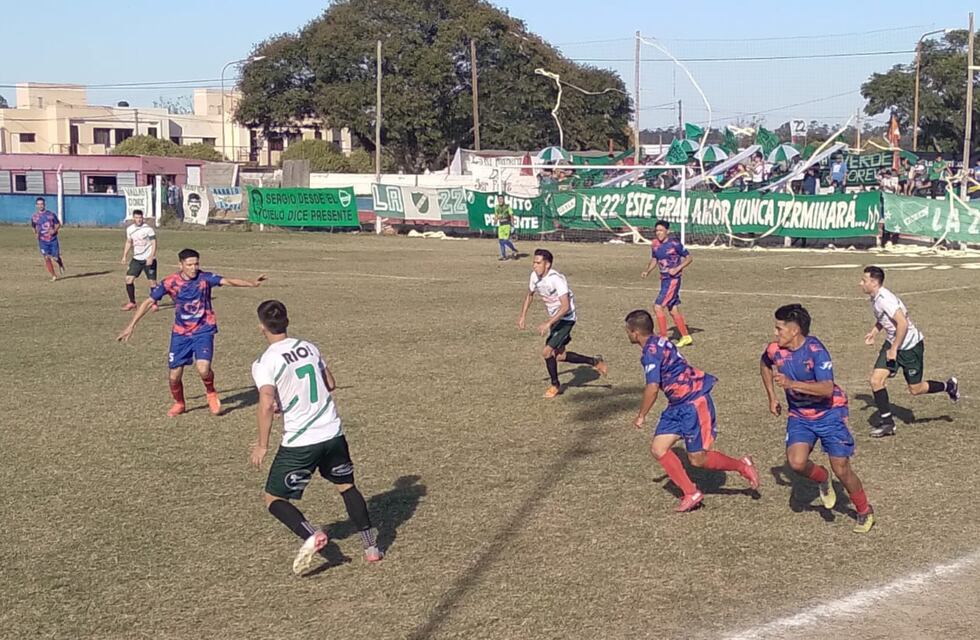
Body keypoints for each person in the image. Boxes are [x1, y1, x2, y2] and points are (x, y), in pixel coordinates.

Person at [249, 300, 382, 574]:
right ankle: (371, 548)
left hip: (301, 441)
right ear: (287, 321)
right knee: (346, 486)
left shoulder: (266, 361)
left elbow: (265, 401)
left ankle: (311, 534)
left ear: (261, 326)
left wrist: (262, 444)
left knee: (273, 498)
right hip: (332, 432)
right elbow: (329, 384)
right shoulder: (308, 347)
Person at [625, 310, 758, 512]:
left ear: (635, 332)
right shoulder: (659, 341)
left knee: (697, 459)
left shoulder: (651, 353)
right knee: (658, 448)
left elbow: (652, 387)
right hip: (677, 405)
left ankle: (742, 465)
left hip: (693, 403)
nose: (627, 334)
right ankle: (691, 492)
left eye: (627, 330)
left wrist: (642, 415)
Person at [759, 304, 875, 533]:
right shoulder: (775, 349)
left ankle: (864, 510)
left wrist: (791, 384)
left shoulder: (816, 351)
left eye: (779, 328)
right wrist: (772, 396)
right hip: (800, 416)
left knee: (842, 469)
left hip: (829, 413)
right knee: (796, 462)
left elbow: (826, 389)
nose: (775, 333)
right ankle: (822, 478)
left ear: (794, 331)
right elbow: (764, 363)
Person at [116, 248, 267, 417]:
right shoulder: (169, 282)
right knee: (174, 376)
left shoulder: (205, 278)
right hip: (180, 333)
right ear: (180, 265)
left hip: (204, 329)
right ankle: (179, 403)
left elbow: (229, 281)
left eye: (196, 264)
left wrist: (252, 283)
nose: (194, 268)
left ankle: (211, 392)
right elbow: (148, 302)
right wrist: (131, 326)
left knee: (203, 369)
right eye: (189, 265)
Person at [859, 266, 959, 437]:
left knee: (915, 389)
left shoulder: (885, 299)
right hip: (893, 342)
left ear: (874, 283)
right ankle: (888, 424)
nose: (860, 283)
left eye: (864, 280)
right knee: (876, 380)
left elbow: (902, 324)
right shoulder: (875, 298)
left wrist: (894, 350)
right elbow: (884, 319)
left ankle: (948, 386)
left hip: (910, 346)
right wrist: (875, 332)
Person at [517, 248, 607, 398]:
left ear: (547, 265)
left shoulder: (556, 279)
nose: (535, 265)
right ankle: (594, 361)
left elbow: (565, 307)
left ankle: (555, 385)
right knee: (559, 356)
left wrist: (548, 323)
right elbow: (530, 295)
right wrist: (522, 316)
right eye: (534, 262)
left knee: (546, 352)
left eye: (538, 263)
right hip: (556, 319)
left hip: (566, 319)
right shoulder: (534, 276)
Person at [641, 220, 693, 347]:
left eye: (661, 231)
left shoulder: (675, 244)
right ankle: (686, 337)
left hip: (673, 280)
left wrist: (677, 268)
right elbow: (654, 259)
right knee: (673, 309)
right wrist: (647, 271)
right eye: (657, 231)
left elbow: (689, 258)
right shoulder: (654, 244)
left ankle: (663, 337)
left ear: (667, 232)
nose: (658, 233)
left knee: (658, 307)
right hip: (664, 280)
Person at [120, 210, 159, 311]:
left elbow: (154, 243)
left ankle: (154, 303)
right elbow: (129, 242)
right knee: (128, 279)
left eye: (140, 218)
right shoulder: (130, 229)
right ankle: (132, 302)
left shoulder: (148, 229)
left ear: (143, 218)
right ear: (133, 218)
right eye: (136, 218)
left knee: (152, 283)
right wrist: (124, 256)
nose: (138, 220)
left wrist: (151, 256)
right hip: (136, 259)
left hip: (148, 259)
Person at [31, 197, 65, 281]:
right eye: (38, 204)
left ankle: (60, 263)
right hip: (42, 241)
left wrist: (54, 230)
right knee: (46, 257)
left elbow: (58, 224)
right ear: (36, 205)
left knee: (55, 257)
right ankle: (54, 276)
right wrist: (35, 234)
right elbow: (33, 226)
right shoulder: (34, 217)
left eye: (41, 204)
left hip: (52, 240)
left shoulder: (51, 214)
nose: (40, 206)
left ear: (44, 205)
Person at [493, 195, 519, 261]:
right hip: (501, 226)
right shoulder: (496, 207)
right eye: (499, 199)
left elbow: (511, 216)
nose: (500, 200)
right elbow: (496, 216)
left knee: (505, 240)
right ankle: (504, 256)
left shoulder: (507, 207)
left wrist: (513, 225)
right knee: (501, 241)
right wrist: (495, 222)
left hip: (507, 225)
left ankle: (514, 250)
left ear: (504, 200)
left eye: (501, 199)